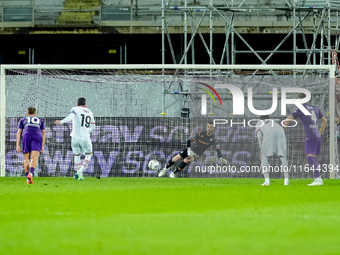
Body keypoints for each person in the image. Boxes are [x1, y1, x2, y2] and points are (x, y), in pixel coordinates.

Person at [284, 93, 327, 186]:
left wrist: (283, 131)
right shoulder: (315, 108)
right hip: (317, 135)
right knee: (312, 157)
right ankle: (318, 178)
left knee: (310, 156)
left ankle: (318, 179)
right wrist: (320, 132)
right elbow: (325, 120)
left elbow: (287, 120)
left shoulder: (301, 108)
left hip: (311, 135)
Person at [158, 122, 228, 178]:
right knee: (175, 159)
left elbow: (218, 149)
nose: (209, 129)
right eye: (208, 127)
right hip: (190, 149)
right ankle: (164, 170)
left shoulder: (214, 139)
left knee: (187, 160)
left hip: (198, 153)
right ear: (206, 127)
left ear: (214, 128)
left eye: (211, 127)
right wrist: (189, 150)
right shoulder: (200, 133)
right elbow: (189, 140)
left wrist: (221, 157)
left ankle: (173, 173)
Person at [55, 97, 95, 181]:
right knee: (89, 154)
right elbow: (93, 127)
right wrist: (87, 132)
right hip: (85, 137)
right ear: (85, 104)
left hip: (75, 137)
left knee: (77, 155)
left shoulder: (75, 109)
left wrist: (61, 121)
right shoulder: (90, 112)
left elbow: (70, 117)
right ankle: (79, 172)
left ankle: (79, 175)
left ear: (77, 104)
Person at [256, 116, 289, 186]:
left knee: (264, 157)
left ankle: (267, 181)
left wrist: (261, 149)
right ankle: (286, 180)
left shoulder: (259, 123)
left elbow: (260, 137)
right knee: (283, 157)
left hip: (269, 133)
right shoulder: (275, 122)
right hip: (280, 131)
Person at [16, 107, 46, 184]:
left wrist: (17, 145)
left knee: (26, 158)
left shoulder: (23, 120)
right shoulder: (40, 120)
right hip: (37, 135)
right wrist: (42, 146)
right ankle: (30, 174)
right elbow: (43, 133)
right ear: (35, 114)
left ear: (27, 114)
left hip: (26, 135)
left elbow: (19, 132)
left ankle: (27, 179)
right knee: (34, 158)